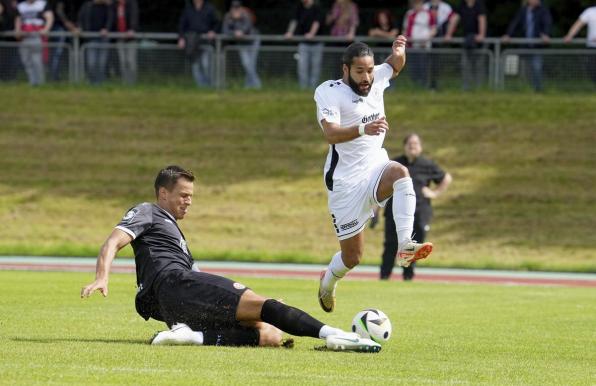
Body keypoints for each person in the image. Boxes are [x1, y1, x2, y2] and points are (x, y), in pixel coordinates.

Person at [80, 165, 381, 352]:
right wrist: (102, 276)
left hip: (170, 303)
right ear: (163, 194)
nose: (188, 201)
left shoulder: (174, 234)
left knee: (268, 335)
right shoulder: (148, 211)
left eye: (191, 196)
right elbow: (113, 241)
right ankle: (336, 335)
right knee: (267, 307)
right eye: (183, 195)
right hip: (175, 284)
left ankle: (190, 337)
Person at [313, 37, 433, 313]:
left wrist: (399, 52)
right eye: (360, 72)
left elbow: (395, 66)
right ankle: (327, 283)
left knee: (402, 173)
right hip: (345, 183)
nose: (367, 77)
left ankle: (405, 245)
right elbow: (330, 133)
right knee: (352, 257)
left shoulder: (376, 77)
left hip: (375, 167)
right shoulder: (328, 92)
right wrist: (362, 129)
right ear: (345, 70)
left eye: (369, 71)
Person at [375, 134, 452, 281]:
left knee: (414, 244)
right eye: (410, 144)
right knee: (391, 243)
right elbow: (381, 185)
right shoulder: (395, 164)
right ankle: (384, 276)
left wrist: (435, 193)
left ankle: (408, 276)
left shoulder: (427, 164)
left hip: (420, 211)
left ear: (421, 147)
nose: (412, 147)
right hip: (394, 212)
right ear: (404, 146)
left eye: (415, 144)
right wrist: (376, 209)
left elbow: (446, 178)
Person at [502, 0, 552, 92]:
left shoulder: (543, 10)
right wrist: (508, 35)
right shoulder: (523, 10)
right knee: (516, 67)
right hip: (523, 45)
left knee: (537, 67)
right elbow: (515, 23)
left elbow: (547, 23)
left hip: (537, 45)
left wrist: (546, 34)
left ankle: (538, 90)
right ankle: (518, 89)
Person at [445, 0, 487, 91]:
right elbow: (454, 19)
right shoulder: (462, 5)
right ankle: (466, 88)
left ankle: (479, 89)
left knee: (478, 66)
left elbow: (482, 19)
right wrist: (448, 34)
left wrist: (481, 34)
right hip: (467, 41)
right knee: (465, 65)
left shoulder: (479, 5)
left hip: (478, 43)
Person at [178, 0, 219, 88]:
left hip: (206, 41)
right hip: (192, 42)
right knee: (195, 66)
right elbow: (182, 25)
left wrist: (213, 31)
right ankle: (201, 87)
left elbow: (217, 23)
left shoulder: (210, 8)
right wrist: (181, 38)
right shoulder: (188, 9)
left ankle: (210, 86)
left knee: (206, 64)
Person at [284, 0, 323, 90]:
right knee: (302, 67)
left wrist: (311, 34)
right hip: (303, 42)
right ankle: (303, 89)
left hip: (317, 43)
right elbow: (294, 20)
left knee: (315, 67)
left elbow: (317, 22)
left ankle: (314, 89)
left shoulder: (317, 7)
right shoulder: (299, 7)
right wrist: (290, 32)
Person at [222, 0, 261, 89]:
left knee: (251, 64)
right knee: (246, 63)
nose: (236, 10)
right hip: (242, 43)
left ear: (241, 8)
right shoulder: (228, 16)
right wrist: (234, 33)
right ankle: (256, 84)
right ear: (231, 9)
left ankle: (250, 85)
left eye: (237, 8)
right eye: (234, 8)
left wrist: (241, 31)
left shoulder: (246, 14)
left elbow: (248, 27)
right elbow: (225, 31)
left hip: (253, 41)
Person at [15, 0, 54, 86]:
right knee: (26, 60)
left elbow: (49, 17)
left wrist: (46, 29)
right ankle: (32, 82)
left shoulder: (42, 4)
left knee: (37, 60)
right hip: (24, 36)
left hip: (37, 35)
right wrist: (17, 31)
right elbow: (18, 19)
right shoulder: (21, 6)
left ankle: (40, 82)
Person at [402, 0, 436, 88]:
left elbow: (433, 29)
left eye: (418, 3)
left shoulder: (428, 13)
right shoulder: (409, 14)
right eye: (415, 3)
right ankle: (415, 86)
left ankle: (424, 85)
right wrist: (404, 42)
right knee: (413, 67)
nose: (416, 5)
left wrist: (427, 39)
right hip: (412, 46)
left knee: (424, 67)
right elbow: (405, 29)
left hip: (424, 46)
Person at [78, 0, 113, 85]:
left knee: (102, 63)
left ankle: (101, 83)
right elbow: (80, 18)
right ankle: (93, 83)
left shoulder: (108, 7)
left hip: (103, 39)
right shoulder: (87, 6)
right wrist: (80, 28)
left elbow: (111, 19)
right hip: (91, 39)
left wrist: (106, 29)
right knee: (91, 63)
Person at [423, 0, 456, 90]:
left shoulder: (446, 7)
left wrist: (448, 34)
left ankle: (435, 85)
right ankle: (422, 84)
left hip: (439, 38)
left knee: (436, 64)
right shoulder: (425, 6)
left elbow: (454, 18)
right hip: (425, 38)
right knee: (423, 63)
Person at [564, 5, 596, 86]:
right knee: (592, 70)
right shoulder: (590, 11)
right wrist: (570, 35)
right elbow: (578, 24)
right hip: (592, 47)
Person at [49, 1, 79, 82]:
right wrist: (67, 24)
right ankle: (54, 78)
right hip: (58, 27)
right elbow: (59, 10)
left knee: (72, 52)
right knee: (57, 53)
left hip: (70, 28)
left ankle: (73, 77)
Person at [111, 0, 138, 84]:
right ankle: (124, 82)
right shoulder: (114, 5)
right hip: (119, 38)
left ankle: (132, 82)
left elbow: (134, 17)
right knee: (122, 61)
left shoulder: (131, 3)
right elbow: (112, 19)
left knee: (130, 61)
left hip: (130, 39)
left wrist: (132, 29)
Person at [0, 0, 19, 81]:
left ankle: (10, 78)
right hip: (3, 37)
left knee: (11, 60)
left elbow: (17, 17)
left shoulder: (12, 7)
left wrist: (17, 30)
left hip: (11, 38)